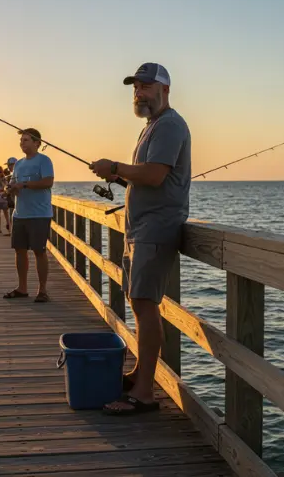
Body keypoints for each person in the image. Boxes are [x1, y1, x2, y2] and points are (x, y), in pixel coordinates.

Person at [90, 63, 191, 415]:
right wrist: (119, 175)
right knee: (139, 303)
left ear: (165, 89)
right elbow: (145, 177)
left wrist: (115, 166)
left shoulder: (170, 125)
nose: (139, 92)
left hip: (156, 230)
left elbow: (154, 174)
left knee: (146, 307)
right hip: (139, 230)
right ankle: (140, 373)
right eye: (135, 87)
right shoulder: (152, 127)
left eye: (146, 86)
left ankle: (145, 393)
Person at [3, 129, 54, 303]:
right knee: (19, 251)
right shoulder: (18, 164)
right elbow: (11, 183)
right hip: (19, 214)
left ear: (37, 143)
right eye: (21, 140)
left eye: (26, 140)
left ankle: (43, 290)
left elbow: (48, 182)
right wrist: (8, 189)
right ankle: (22, 288)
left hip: (39, 214)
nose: (22, 143)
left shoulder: (44, 160)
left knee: (39, 251)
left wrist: (24, 185)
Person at [4, 156, 17, 226]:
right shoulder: (11, 175)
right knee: (12, 217)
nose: (8, 167)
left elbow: (11, 188)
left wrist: (7, 189)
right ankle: (11, 233)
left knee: (14, 218)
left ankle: (12, 233)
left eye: (9, 165)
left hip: (16, 202)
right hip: (13, 201)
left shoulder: (15, 175)